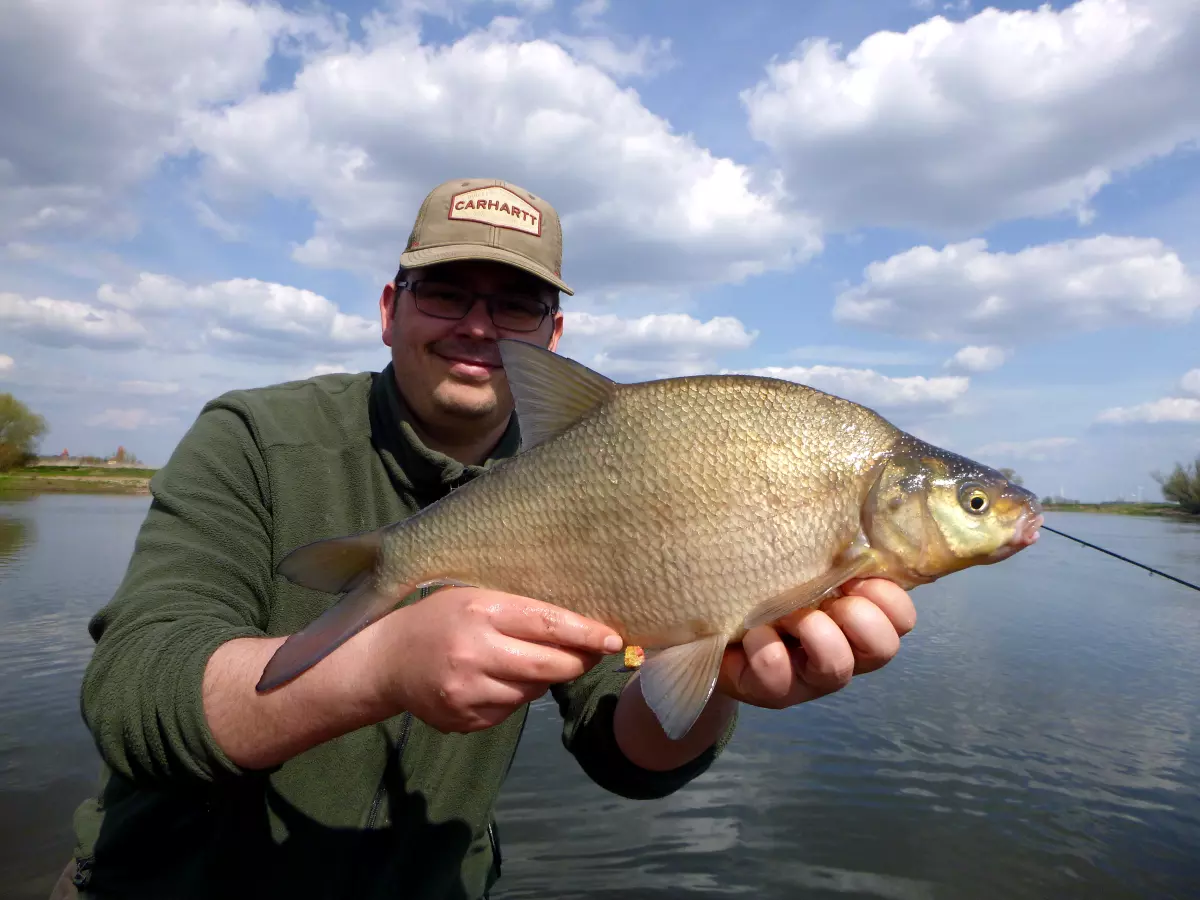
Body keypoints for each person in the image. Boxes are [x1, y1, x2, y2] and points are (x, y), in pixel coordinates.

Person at [59, 178, 916, 899]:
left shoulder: (601, 473)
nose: (479, 325)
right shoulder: (253, 435)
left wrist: (722, 674)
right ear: (390, 308)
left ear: (552, 335)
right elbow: (133, 697)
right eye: (445, 291)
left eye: (516, 303)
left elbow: (625, 750)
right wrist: (380, 666)